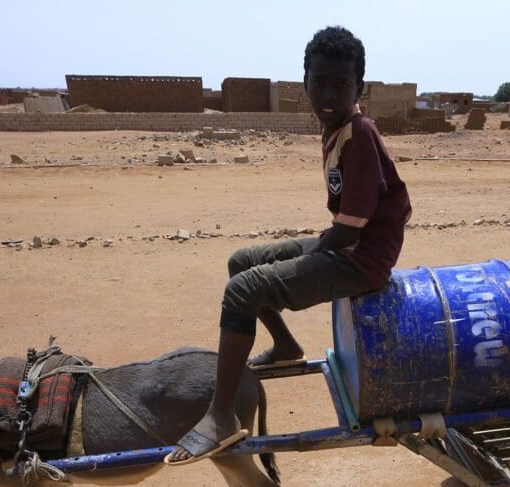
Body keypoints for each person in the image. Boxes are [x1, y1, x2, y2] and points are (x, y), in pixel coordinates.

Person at [168, 25, 412, 464]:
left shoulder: (358, 134)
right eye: (319, 83)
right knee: (242, 263)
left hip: (363, 259)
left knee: (242, 290)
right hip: (347, 243)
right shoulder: (337, 129)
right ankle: (285, 345)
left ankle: (221, 415)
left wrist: (313, 254)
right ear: (305, 84)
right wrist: (316, 249)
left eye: (341, 84)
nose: (328, 94)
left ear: (359, 88)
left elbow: (351, 229)